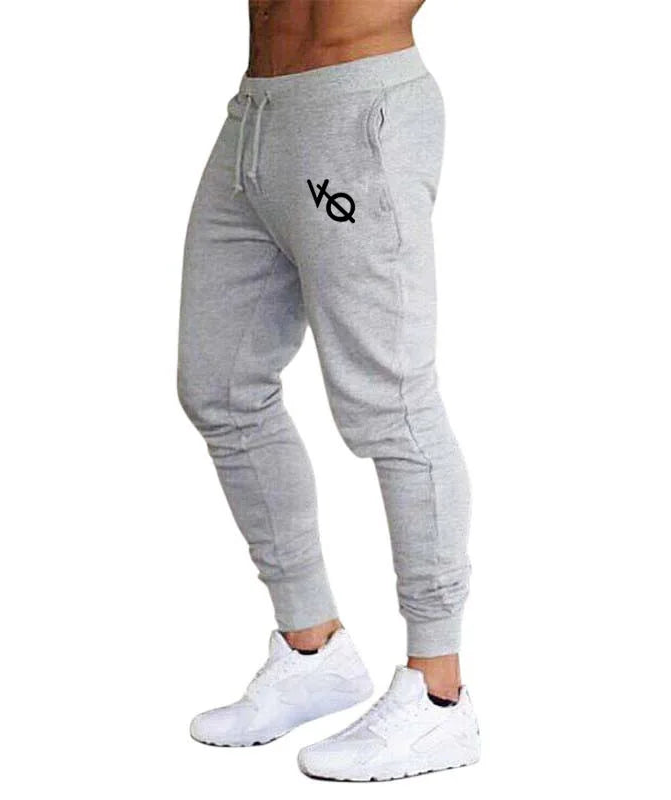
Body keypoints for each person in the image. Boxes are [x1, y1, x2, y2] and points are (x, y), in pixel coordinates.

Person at [178, 0, 480, 781]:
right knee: (219, 386)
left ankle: (438, 693)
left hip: (358, 111)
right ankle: (312, 647)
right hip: (255, 117)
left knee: (392, 407)